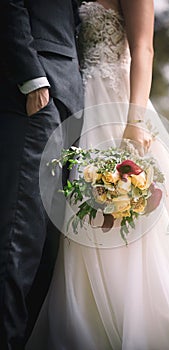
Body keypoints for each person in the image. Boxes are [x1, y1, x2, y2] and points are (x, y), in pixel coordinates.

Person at [26, 0, 169, 349]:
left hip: (118, 102)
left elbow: (144, 48)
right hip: (77, 102)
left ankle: (136, 317)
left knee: (125, 211)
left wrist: (134, 122)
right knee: (80, 214)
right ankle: (86, 317)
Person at [0, 1, 84, 349]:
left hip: (72, 106)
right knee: (19, 240)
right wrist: (32, 79)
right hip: (37, 98)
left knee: (49, 253)